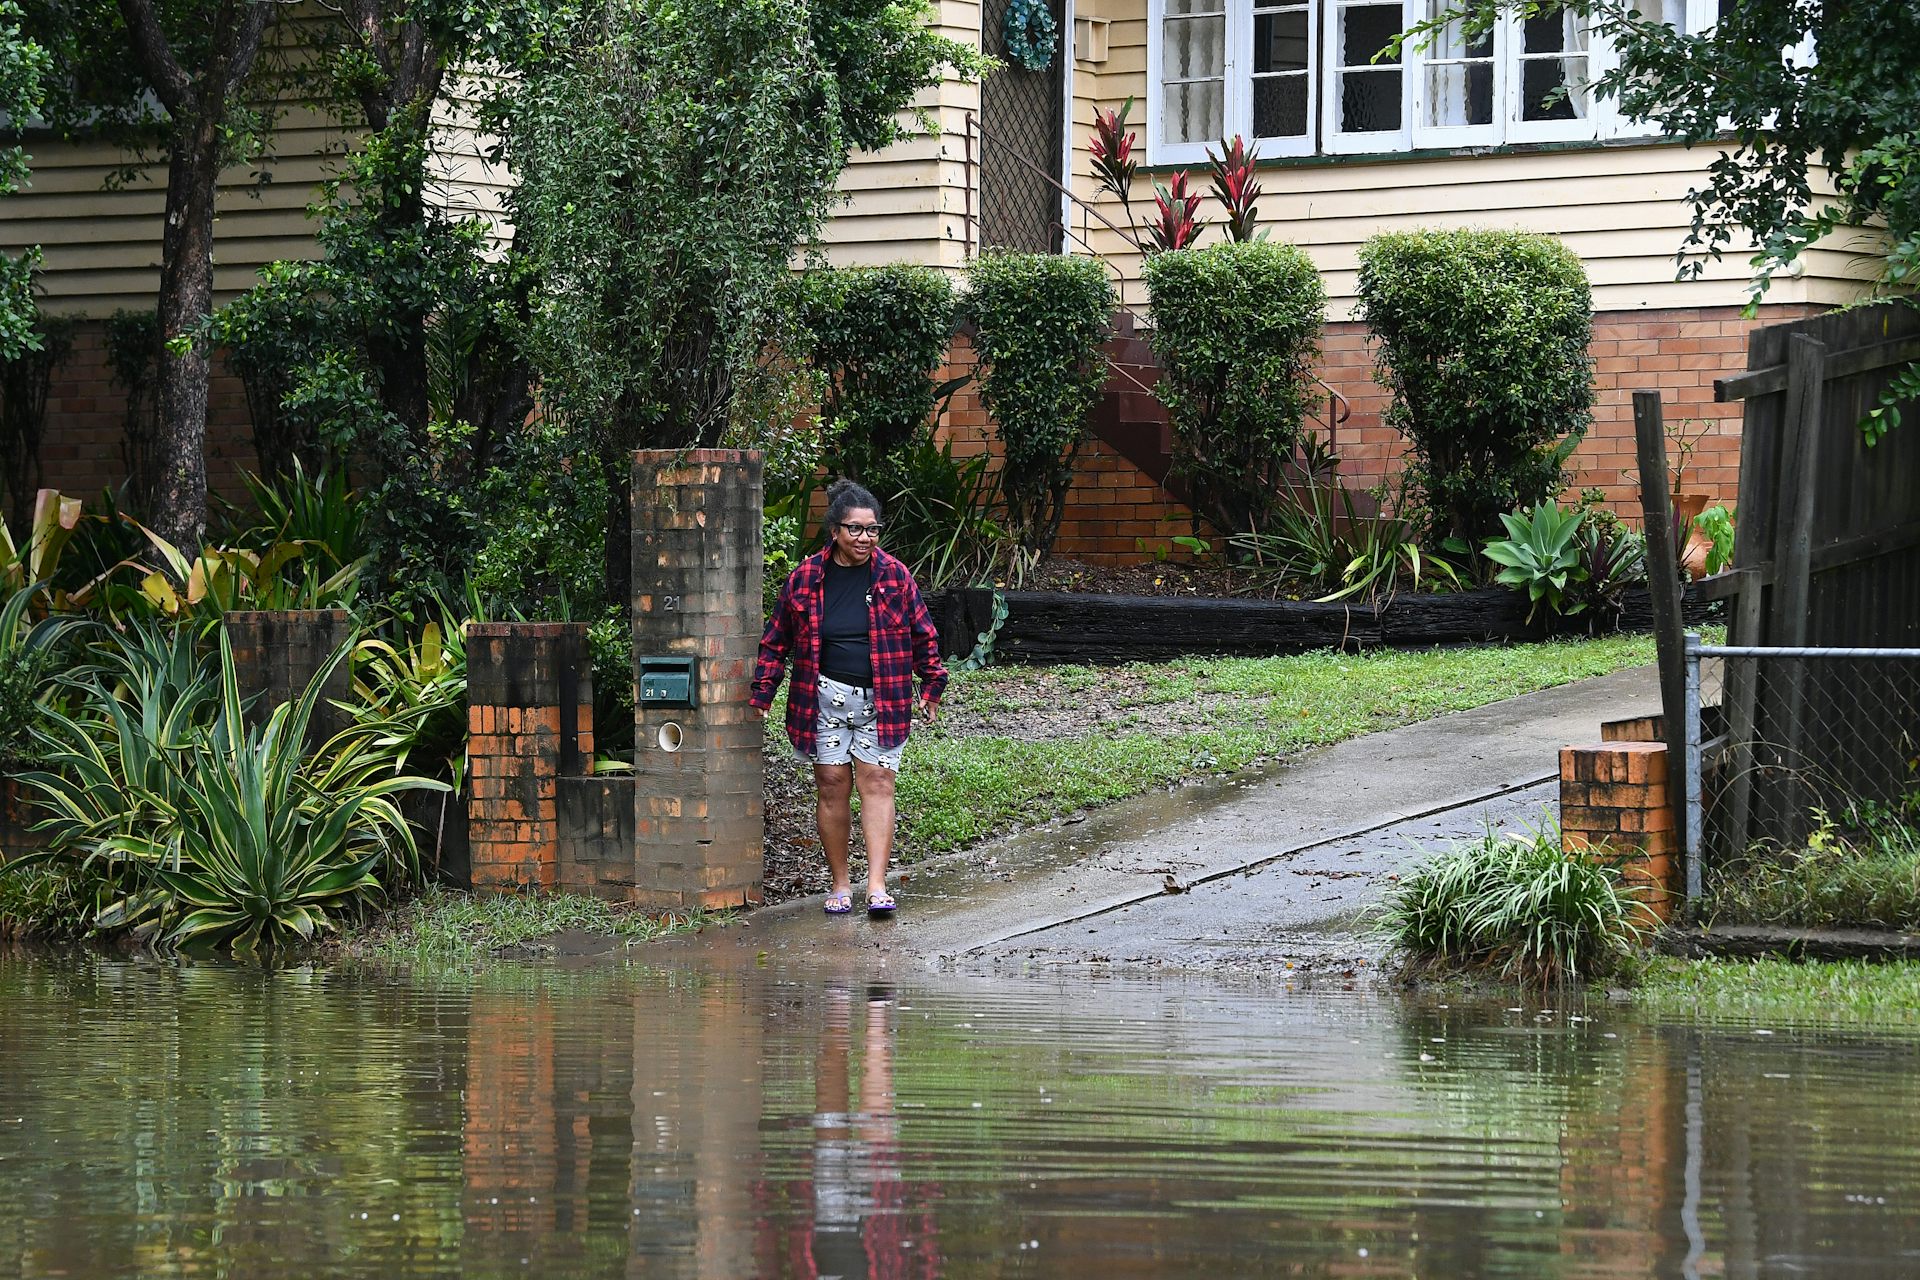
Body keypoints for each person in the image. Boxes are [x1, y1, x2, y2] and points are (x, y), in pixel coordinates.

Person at [751, 479, 947, 916]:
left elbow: (924, 635)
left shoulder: (895, 575)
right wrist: (764, 691)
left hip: (884, 697)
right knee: (832, 786)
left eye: (872, 529)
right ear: (835, 531)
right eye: (855, 529)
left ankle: (877, 885)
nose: (865, 538)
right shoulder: (805, 578)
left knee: (877, 783)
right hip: (822, 698)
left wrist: (932, 684)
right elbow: (776, 639)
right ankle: (841, 885)